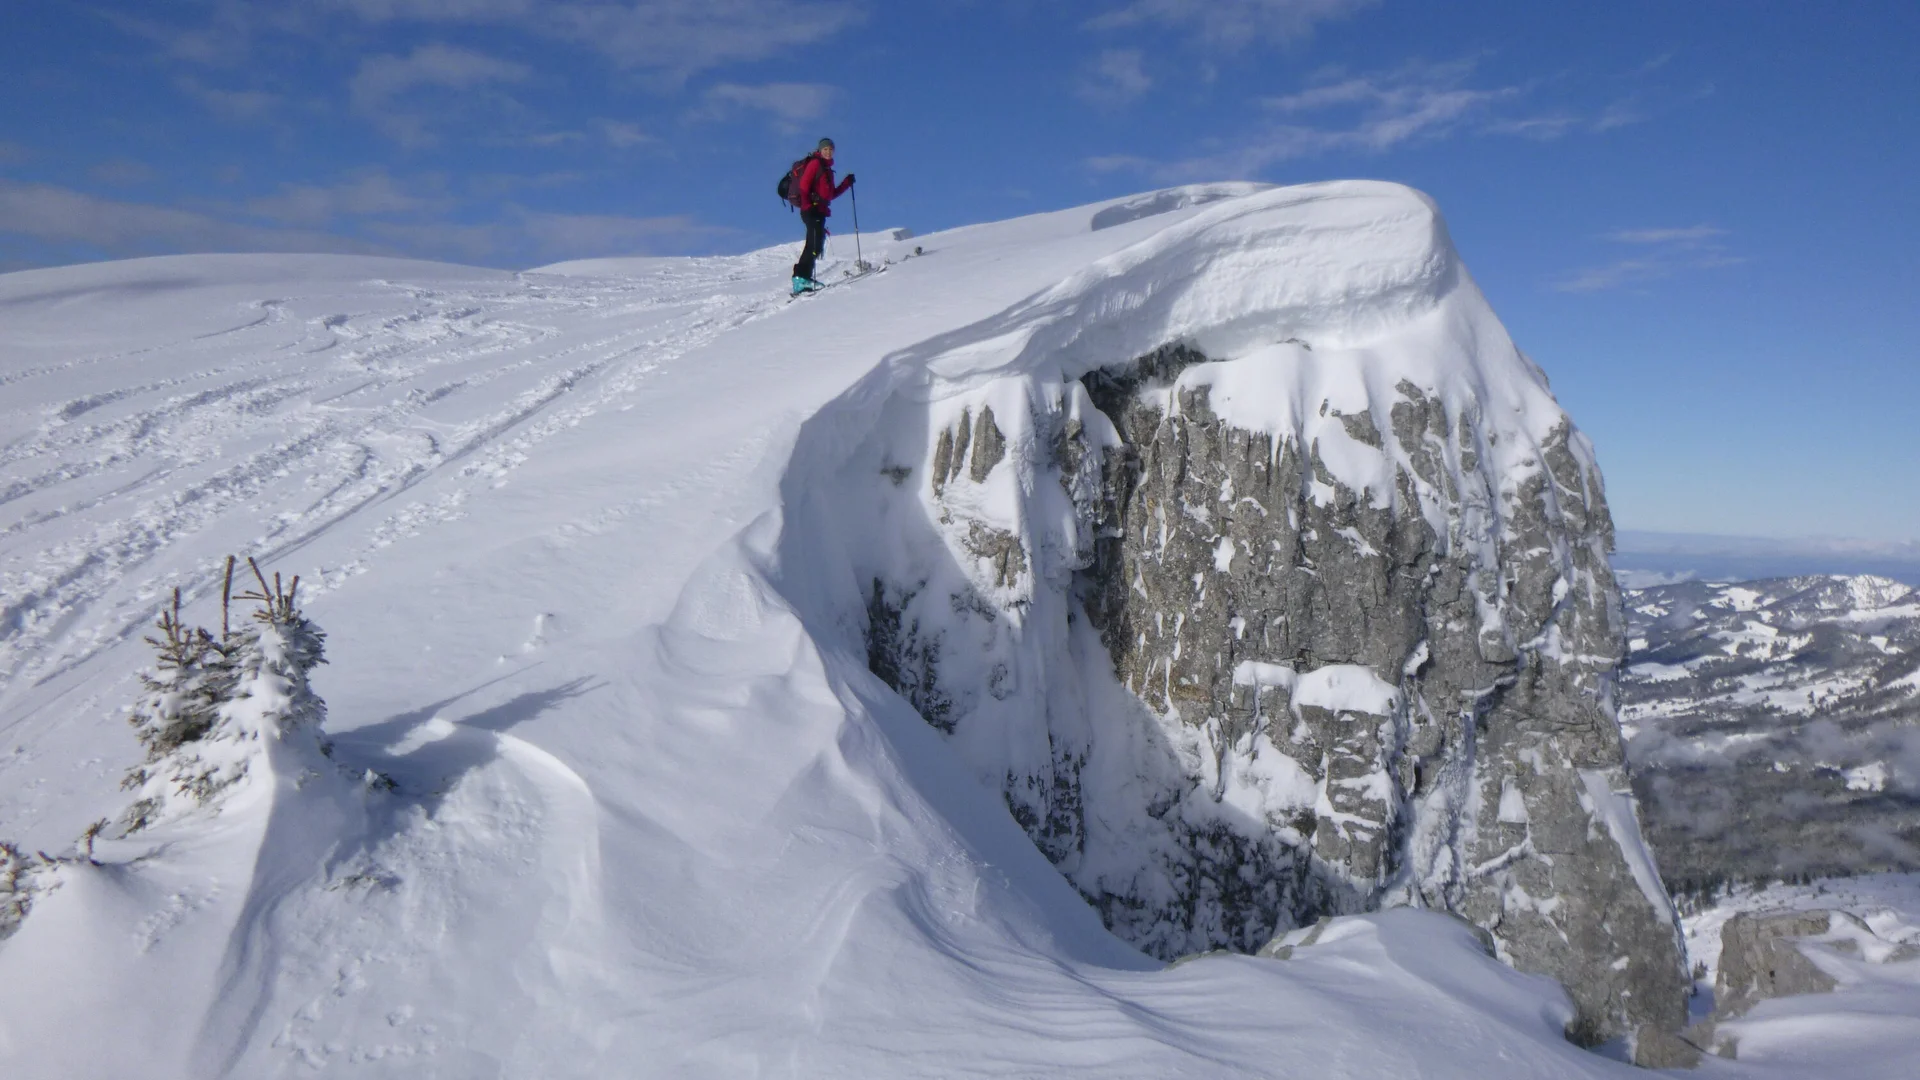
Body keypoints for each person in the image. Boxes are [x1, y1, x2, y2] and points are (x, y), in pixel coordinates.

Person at [791, 138, 854, 295]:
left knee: (817, 244)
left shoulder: (827, 170)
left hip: (820, 210)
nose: (828, 152)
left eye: (830, 149)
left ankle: (804, 277)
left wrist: (846, 183)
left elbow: (830, 195)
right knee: (813, 243)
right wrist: (807, 205)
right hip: (811, 209)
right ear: (820, 150)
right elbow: (804, 185)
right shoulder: (816, 164)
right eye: (825, 149)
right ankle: (800, 278)